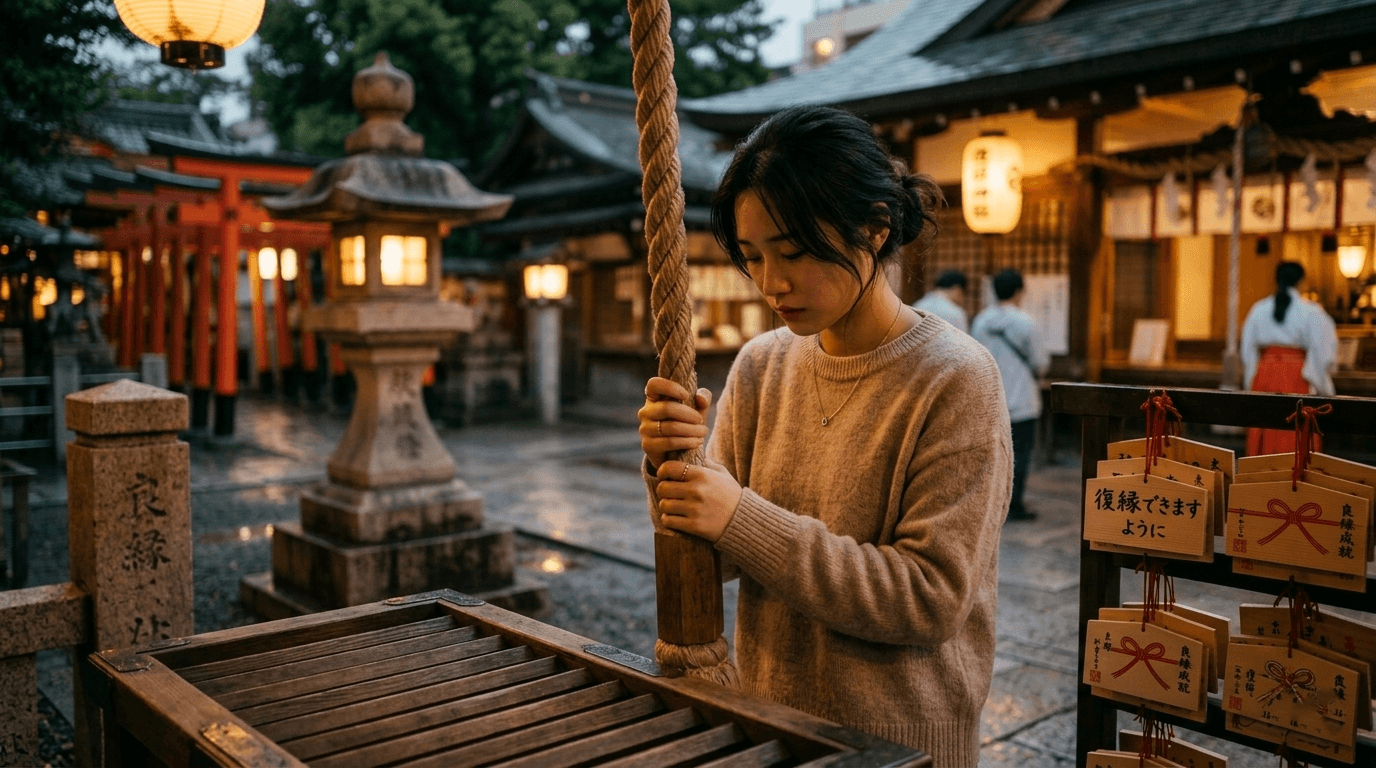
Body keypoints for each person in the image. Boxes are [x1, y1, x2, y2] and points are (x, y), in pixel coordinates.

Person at [638, 105, 1011, 767]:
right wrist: (673, 466)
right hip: (773, 724)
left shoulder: (956, 378)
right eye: (753, 256)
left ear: (875, 227)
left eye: (796, 251)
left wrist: (738, 513)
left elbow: (930, 599)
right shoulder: (761, 365)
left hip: (902, 743)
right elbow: (718, 557)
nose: (772, 282)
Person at [971, 269, 1048, 522]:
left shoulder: (981, 321)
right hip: (1022, 399)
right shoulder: (1026, 322)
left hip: (990, 399)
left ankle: (991, 505)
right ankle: (1014, 505)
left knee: (991, 456)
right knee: (1021, 455)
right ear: (1019, 290)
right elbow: (1040, 363)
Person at [1241, 261, 1338, 455]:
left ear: (1276, 280)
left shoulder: (1259, 309)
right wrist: (1320, 381)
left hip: (1265, 372)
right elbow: (1323, 350)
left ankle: (1259, 473)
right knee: (1295, 424)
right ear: (1301, 282)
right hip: (1296, 374)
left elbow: (1247, 348)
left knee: (1265, 421)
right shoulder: (1310, 311)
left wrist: (1251, 376)